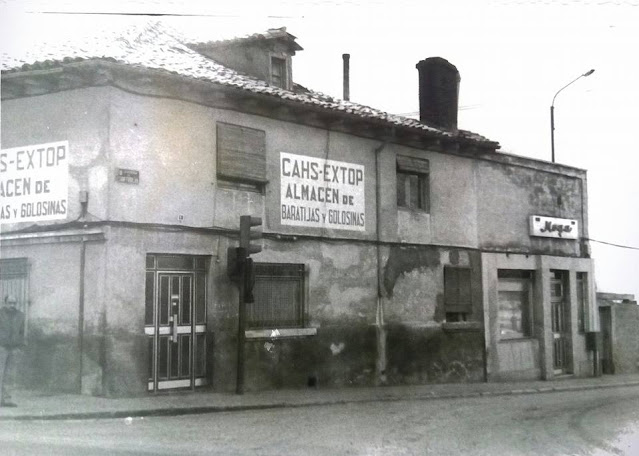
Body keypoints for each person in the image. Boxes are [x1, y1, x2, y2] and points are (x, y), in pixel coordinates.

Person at [0, 295, 25, 407]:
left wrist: (19, 345)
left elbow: (22, 331)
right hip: (1, 347)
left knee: (10, 374)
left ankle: (7, 399)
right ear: (5, 303)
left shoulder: (20, 315)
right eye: (10, 302)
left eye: (14, 303)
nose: (12, 305)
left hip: (14, 348)